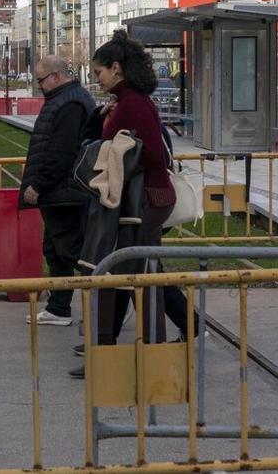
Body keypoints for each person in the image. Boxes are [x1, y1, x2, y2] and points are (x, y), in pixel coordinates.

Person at [71, 30, 191, 377]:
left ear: (117, 68)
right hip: (136, 202)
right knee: (124, 273)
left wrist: (115, 147)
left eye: (99, 72)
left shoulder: (133, 104)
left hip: (144, 202)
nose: (97, 78)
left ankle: (133, 355)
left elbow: (151, 152)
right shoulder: (127, 102)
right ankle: (109, 349)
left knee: (134, 275)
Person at [20, 56, 96, 326]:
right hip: (64, 192)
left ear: (55, 76)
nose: (38, 85)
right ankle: (59, 308)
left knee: (71, 251)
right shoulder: (67, 100)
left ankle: (109, 299)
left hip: (65, 192)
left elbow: (60, 152)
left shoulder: (70, 104)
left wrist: (38, 185)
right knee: (56, 250)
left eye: (40, 80)